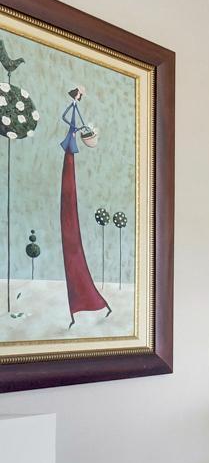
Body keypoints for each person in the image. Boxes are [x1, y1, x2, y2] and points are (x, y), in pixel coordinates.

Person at [58, 86, 109, 326]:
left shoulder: (78, 109)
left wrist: (83, 128)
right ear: (76, 95)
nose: (80, 98)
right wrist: (76, 128)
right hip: (71, 141)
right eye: (80, 95)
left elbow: (80, 121)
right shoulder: (73, 107)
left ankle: (87, 303)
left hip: (74, 140)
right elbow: (67, 118)